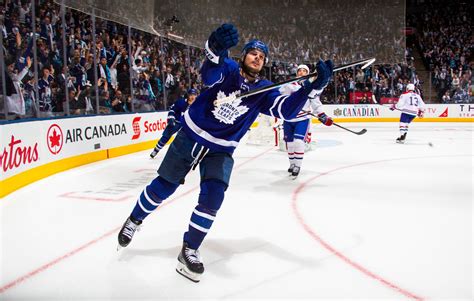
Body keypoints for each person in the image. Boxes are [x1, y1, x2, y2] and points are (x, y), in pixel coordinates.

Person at [117, 23, 333, 282]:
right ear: (244, 56)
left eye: (262, 56)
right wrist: (215, 45)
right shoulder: (229, 68)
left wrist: (312, 88)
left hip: (221, 149)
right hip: (191, 135)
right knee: (164, 186)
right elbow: (209, 74)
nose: (257, 58)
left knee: (213, 197)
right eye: (253, 52)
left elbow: (286, 111)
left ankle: (190, 250)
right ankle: (134, 219)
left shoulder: (264, 89)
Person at [279, 64, 333, 178]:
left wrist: (322, 115)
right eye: (300, 70)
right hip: (288, 119)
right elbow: (280, 99)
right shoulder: (288, 86)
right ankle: (292, 164)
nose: (301, 72)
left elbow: (316, 103)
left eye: (304, 71)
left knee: (298, 142)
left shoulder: (311, 88)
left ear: (308, 73)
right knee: (289, 144)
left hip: (302, 119)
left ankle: (297, 166)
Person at [150, 88, 198, 158]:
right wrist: (171, 118)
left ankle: (183, 154)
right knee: (165, 137)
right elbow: (172, 109)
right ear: (188, 95)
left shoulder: (196, 106)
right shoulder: (181, 102)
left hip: (186, 125)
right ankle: (156, 150)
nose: (192, 97)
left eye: (194, 95)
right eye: (191, 95)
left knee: (186, 140)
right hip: (176, 123)